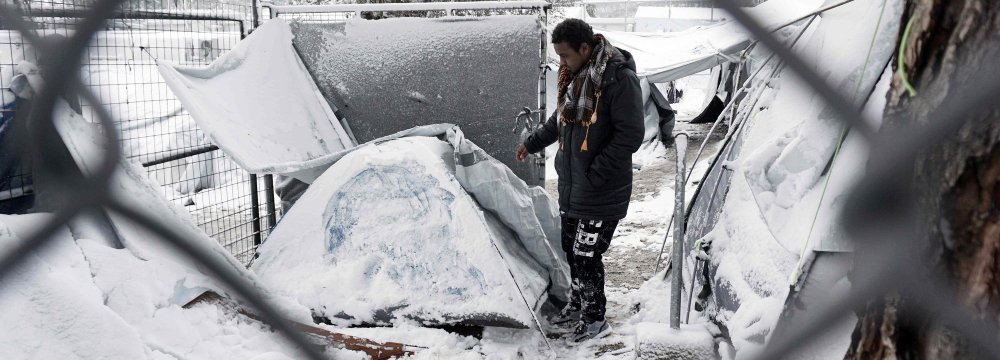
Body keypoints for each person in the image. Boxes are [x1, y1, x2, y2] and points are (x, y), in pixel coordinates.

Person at [516, 18, 643, 343]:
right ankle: (578, 304)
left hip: (601, 192)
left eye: (566, 55)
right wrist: (532, 143)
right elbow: (560, 121)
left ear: (585, 49)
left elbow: (631, 134)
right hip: (575, 191)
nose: (562, 63)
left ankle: (595, 320)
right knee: (571, 251)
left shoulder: (618, 80)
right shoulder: (574, 78)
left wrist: (596, 172)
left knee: (586, 257)